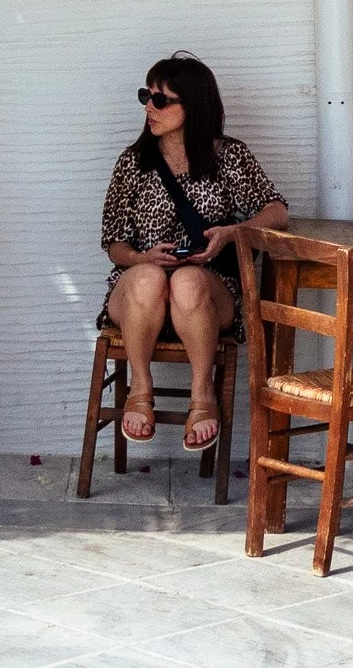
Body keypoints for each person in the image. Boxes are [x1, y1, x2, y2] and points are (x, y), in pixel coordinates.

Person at [102, 52, 287, 451]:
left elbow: (277, 211)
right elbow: (113, 243)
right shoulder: (133, 163)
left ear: (194, 104)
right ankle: (141, 389)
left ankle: (202, 396)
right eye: (146, 97)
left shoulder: (229, 156)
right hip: (138, 291)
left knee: (186, 281)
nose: (150, 108)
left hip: (209, 289)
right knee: (151, 278)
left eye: (161, 100)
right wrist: (141, 258)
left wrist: (234, 233)